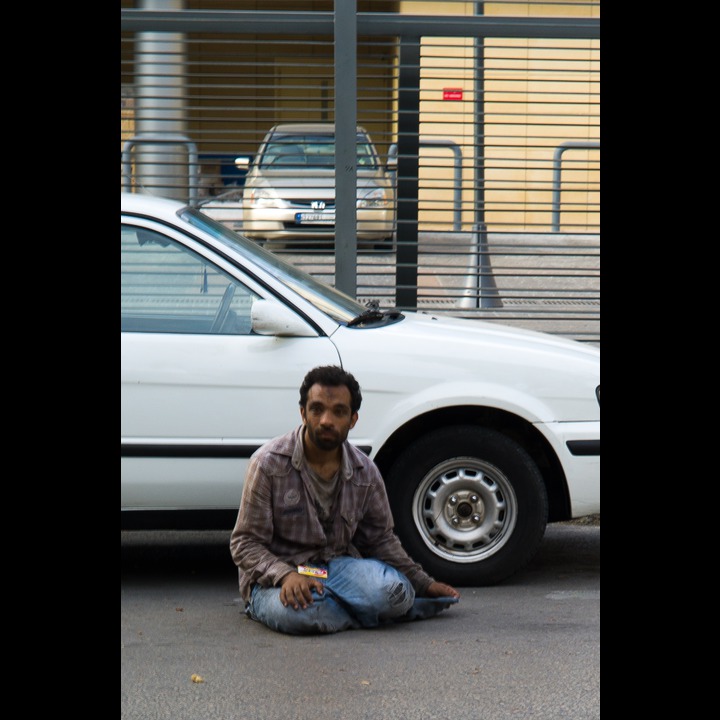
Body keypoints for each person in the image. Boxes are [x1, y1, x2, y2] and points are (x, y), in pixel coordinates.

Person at [229, 364, 460, 635]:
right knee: (300, 616)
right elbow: (244, 543)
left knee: (397, 592)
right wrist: (286, 575)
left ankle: (341, 606)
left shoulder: (365, 472)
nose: (326, 420)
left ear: (352, 419)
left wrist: (424, 583)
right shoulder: (268, 464)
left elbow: (380, 540)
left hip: (332, 571)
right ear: (303, 413)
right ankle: (363, 610)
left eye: (338, 411)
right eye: (317, 409)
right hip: (280, 576)